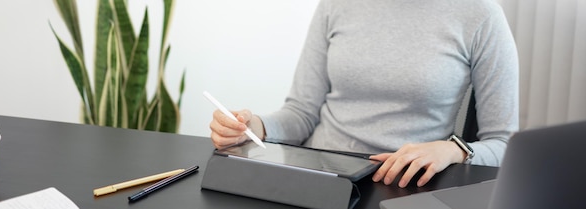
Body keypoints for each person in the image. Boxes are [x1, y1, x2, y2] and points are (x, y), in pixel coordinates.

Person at [209, 0, 518, 188]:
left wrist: (454, 150)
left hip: (406, 184)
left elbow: (504, 143)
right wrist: (253, 127)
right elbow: (301, 114)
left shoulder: (481, 14)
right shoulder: (336, 4)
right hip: (321, 175)